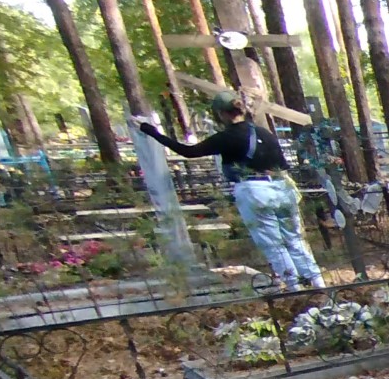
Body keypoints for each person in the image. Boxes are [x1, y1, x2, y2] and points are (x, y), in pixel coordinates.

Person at [137, 91, 323, 290]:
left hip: (254, 190)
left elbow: (188, 151)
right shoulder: (264, 133)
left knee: (273, 243)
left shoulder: (226, 137)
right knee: (295, 239)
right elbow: (282, 164)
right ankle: (318, 283)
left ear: (221, 114)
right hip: (282, 188)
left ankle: (294, 287)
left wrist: (151, 131)